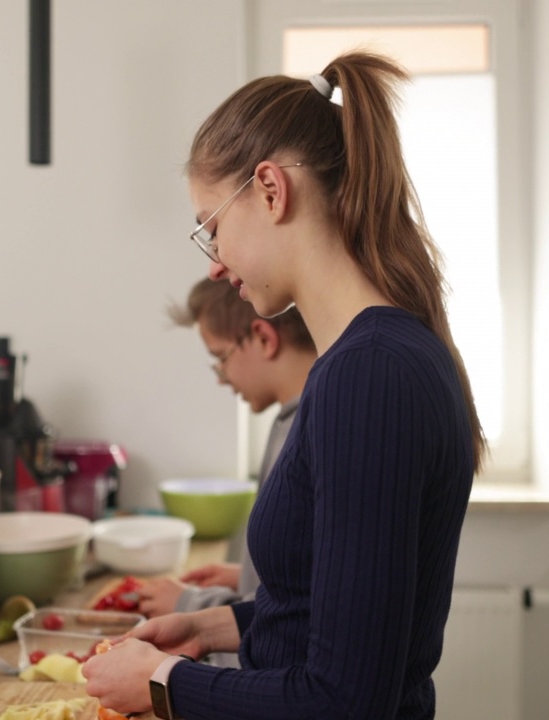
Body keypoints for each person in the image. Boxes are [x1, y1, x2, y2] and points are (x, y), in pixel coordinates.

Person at [83, 51, 486, 720]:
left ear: (271, 190)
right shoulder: (368, 361)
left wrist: (162, 683)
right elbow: (326, 615)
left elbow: (344, 702)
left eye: (212, 229)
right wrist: (209, 629)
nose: (215, 268)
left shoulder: (370, 376)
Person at [136, 278, 317, 669]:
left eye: (220, 357)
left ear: (264, 337)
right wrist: (245, 575)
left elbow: (298, 618)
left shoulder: (304, 430)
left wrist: (189, 605)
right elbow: (303, 569)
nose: (220, 376)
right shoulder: (290, 417)